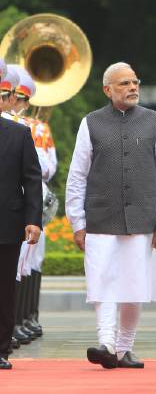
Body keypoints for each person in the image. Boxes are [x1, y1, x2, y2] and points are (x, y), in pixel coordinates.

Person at [66, 62, 156, 369]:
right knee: (102, 281)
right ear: (108, 89)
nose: (132, 88)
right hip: (100, 218)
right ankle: (105, 342)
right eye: (124, 83)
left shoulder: (154, 121)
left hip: (142, 218)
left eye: (135, 82)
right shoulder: (91, 123)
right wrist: (77, 222)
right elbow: (77, 176)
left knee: (135, 284)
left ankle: (124, 348)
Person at [0, 59, 43, 370]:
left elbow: (32, 179)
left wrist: (33, 219)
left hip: (7, 222)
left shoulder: (19, 133)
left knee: (4, 287)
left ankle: (0, 347)